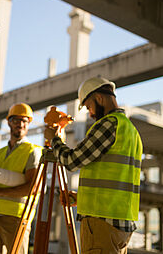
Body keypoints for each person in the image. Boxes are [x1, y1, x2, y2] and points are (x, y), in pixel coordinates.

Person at [43, 77, 143, 254]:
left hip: (102, 225)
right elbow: (115, 182)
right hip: (120, 225)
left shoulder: (108, 124)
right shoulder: (131, 131)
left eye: (89, 107)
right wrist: (80, 199)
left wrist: (54, 139)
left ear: (99, 98)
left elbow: (72, 161)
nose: (90, 114)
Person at [0, 103, 42, 254]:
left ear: (28, 124)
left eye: (24, 121)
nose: (20, 124)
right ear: (8, 123)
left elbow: (33, 188)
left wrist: (0, 192)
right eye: (16, 120)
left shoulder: (32, 152)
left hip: (16, 218)